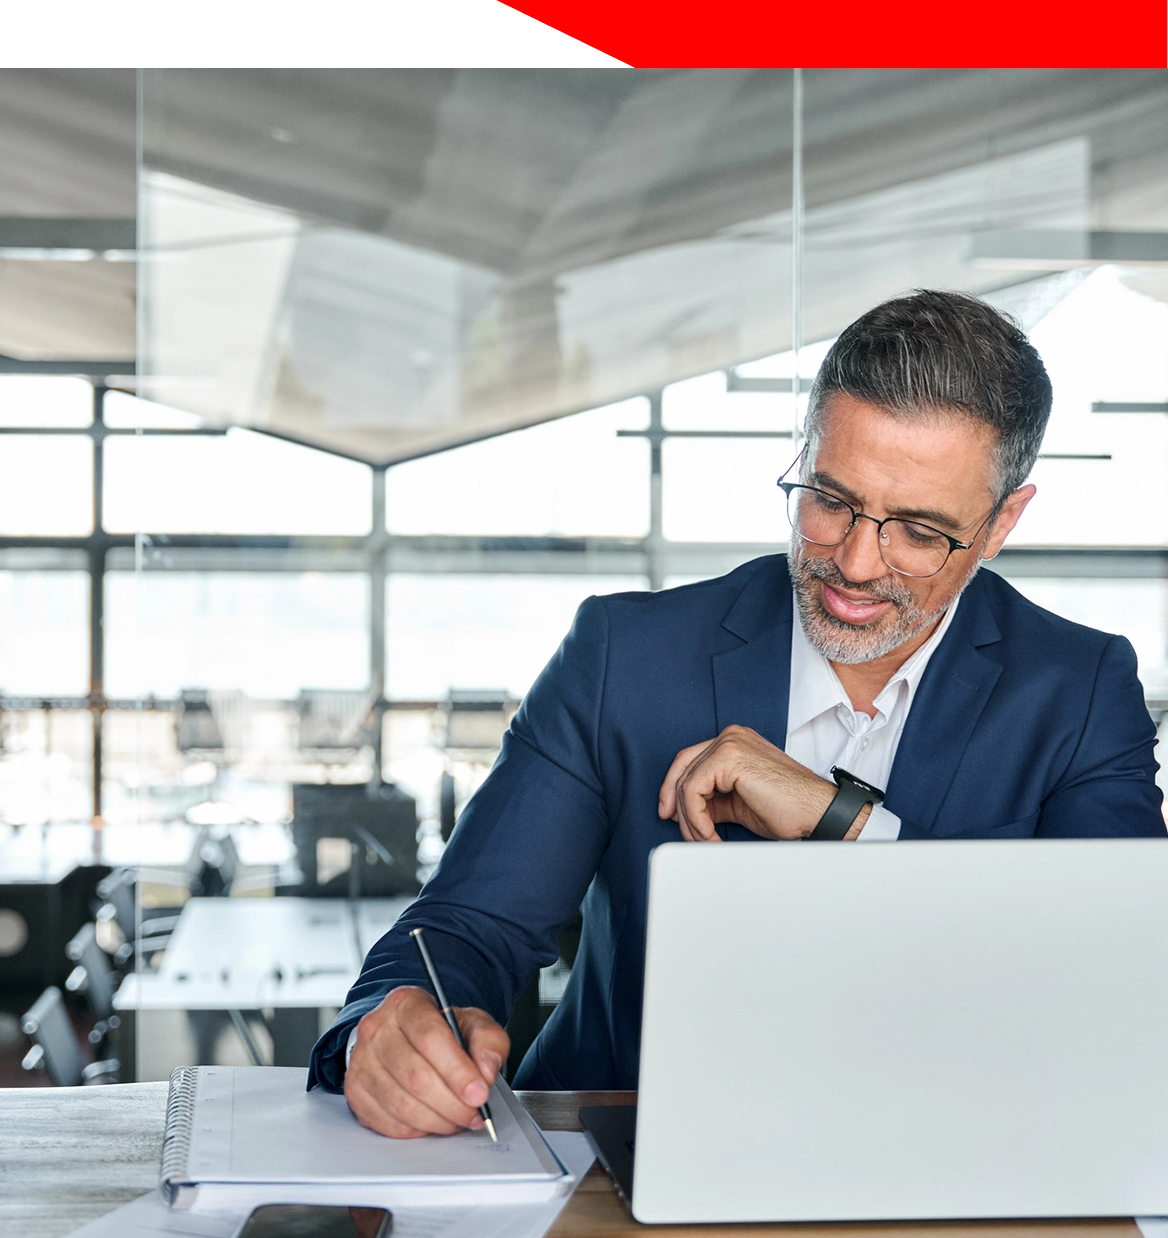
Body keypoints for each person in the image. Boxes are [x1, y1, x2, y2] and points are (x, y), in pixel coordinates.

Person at [309, 289, 1167, 1139]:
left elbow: (1121, 987)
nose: (857, 563)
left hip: (947, 1170)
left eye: (917, 530)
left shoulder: (1078, 690)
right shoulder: (625, 656)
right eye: (830, 498)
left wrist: (845, 824)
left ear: (1002, 521)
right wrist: (386, 1028)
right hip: (612, 1172)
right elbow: (466, 927)